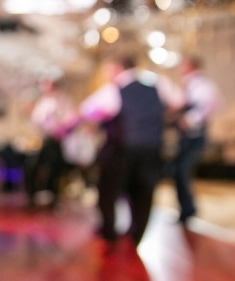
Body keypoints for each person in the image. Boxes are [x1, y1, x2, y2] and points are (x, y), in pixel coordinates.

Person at [77, 55, 184, 250]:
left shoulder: (114, 89)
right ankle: (136, 236)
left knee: (108, 191)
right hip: (152, 147)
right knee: (144, 193)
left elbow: (88, 109)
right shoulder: (158, 84)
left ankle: (109, 232)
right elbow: (179, 102)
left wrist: (102, 123)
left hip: (121, 149)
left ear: (117, 68)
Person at [171, 56, 222, 223]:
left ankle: (188, 210)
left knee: (183, 171)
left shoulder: (203, 85)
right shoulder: (189, 84)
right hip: (185, 136)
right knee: (178, 172)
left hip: (195, 137)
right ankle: (186, 209)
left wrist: (190, 120)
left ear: (191, 66)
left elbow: (210, 105)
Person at [25, 76, 74, 208]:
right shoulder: (43, 102)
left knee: (56, 170)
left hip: (57, 139)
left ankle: (54, 198)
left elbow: (69, 119)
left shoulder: (63, 100)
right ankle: (33, 196)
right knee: (33, 166)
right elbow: (37, 120)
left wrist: (61, 128)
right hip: (45, 138)